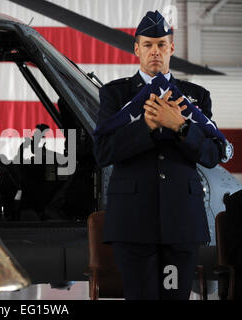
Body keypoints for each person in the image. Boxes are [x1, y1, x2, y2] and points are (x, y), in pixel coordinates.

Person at [93, 10, 225, 300]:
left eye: (161, 44)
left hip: (181, 223)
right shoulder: (115, 96)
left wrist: (179, 125)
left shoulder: (195, 96)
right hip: (133, 224)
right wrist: (148, 126)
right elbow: (103, 153)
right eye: (148, 44)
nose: (155, 51)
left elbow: (212, 154)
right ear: (137, 48)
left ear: (171, 48)